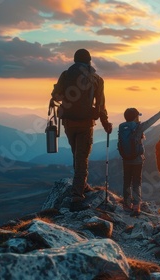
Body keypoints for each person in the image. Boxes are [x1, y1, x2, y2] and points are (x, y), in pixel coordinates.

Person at [50, 48, 113, 212]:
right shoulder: (97, 79)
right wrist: (105, 122)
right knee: (82, 157)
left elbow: (56, 96)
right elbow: (100, 105)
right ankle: (77, 198)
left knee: (76, 154)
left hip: (68, 122)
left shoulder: (65, 75)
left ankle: (82, 185)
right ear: (89, 61)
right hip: (86, 123)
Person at [119, 104, 160, 216]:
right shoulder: (138, 127)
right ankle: (136, 206)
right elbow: (150, 121)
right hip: (137, 160)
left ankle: (126, 205)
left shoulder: (122, 127)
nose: (139, 118)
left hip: (126, 159)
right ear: (135, 117)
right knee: (136, 182)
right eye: (137, 116)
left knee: (126, 181)